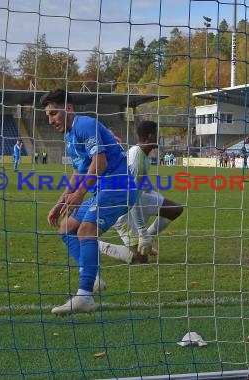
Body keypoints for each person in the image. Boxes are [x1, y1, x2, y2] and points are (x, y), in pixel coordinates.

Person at [41, 88, 137, 316]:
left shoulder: (84, 124)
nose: (50, 119)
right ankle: (92, 278)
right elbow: (78, 172)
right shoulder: (69, 136)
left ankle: (85, 296)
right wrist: (60, 202)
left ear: (69, 108)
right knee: (66, 228)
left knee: (86, 230)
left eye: (54, 113)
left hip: (118, 187)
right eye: (48, 115)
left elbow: (100, 163)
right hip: (102, 191)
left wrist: (80, 194)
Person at [98, 120, 183, 264]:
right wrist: (142, 231)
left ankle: (146, 241)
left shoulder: (143, 155)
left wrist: (155, 196)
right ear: (150, 136)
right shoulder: (136, 159)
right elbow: (131, 199)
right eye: (158, 134)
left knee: (174, 209)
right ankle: (94, 243)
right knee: (140, 260)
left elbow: (140, 185)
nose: (159, 137)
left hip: (136, 198)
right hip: (122, 207)